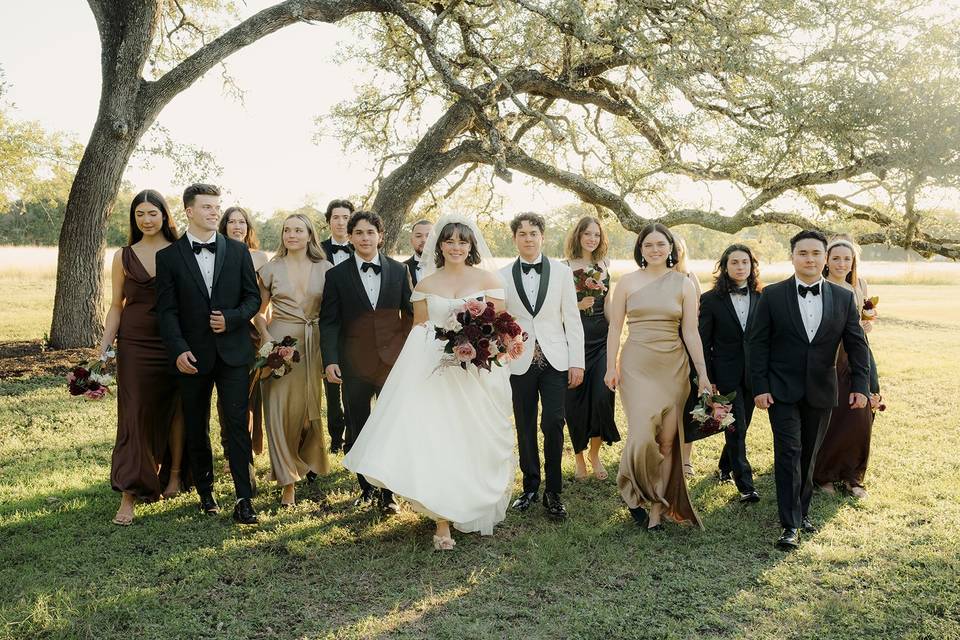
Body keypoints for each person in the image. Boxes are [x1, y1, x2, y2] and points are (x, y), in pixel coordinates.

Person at [344, 214, 515, 550]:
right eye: (449, 241)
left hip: (475, 373)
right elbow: (420, 328)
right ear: (439, 246)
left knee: (470, 439)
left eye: (462, 241)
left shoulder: (488, 279)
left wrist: (479, 344)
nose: (456, 247)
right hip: (432, 369)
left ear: (471, 245)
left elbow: (500, 327)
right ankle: (441, 520)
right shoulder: (425, 284)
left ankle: (468, 501)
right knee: (437, 439)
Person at [748, 230, 870, 550]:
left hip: (821, 389)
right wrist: (759, 387)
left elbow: (857, 345)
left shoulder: (843, 298)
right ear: (793, 256)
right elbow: (757, 344)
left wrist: (861, 385)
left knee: (809, 454)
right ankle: (789, 525)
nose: (810, 259)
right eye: (803, 253)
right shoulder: (772, 295)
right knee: (788, 453)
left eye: (816, 253)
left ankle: (802, 514)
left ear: (825, 258)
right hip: (781, 390)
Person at [155, 183, 262, 526]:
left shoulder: (237, 251)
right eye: (206, 207)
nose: (215, 212)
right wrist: (179, 349)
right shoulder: (169, 257)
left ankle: (244, 499)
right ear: (188, 211)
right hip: (192, 356)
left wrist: (231, 318)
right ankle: (205, 492)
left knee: (235, 425)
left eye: (217, 207)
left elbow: (252, 299)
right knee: (196, 425)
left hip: (233, 353)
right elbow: (166, 312)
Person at [605, 223, 710, 531]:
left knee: (666, 440)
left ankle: (656, 506)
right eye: (648, 245)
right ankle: (632, 485)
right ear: (641, 249)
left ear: (670, 249)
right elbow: (614, 328)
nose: (655, 250)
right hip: (637, 364)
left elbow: (691, 332)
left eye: (660, 244)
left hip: (673, 366)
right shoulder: (626, 282)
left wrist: (702, 373)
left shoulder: (684, 283)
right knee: (640, 434)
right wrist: (611, 366)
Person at [101, 190, 188, 525]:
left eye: (153, 213)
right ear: (134, 219)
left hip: (174, 340)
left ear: (165, 215)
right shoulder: (123, 256)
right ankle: (129, 493)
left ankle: (175, 474)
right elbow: (115, 306)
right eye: (140, 214)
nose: (147, 220)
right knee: (135, 413)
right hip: (135, 343)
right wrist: (106, 347)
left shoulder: (181, 252)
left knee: (176, 407)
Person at [319, 210, 413, 515]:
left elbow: (410, 315)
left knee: (390, 424)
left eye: (370, 233)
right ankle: (366, 486)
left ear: (381, 236)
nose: (364, 238)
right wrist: (331, 360)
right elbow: (329, 322)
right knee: (358, 425)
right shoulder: (336, 275)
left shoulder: (399, 272)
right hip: (354, 363)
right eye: (358, 233)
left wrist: (410, 353)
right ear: (350, 237)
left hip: (391, 363)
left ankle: (388, 494)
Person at [501, 212, 584, 520]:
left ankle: (554, 492)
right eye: (522, 234)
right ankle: (531, 486)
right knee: (524, 423)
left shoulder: (562, 273)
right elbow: (500, 321)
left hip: (555, 359)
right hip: (518, 361)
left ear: (542, 236)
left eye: (533, 233)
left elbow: (572, 319)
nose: (528, 238)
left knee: (553, 422)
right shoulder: (501, 275)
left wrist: (577, 361)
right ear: (515, 239)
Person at [255, 214, 332, 507]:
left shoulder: (326, 268)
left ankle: (305, 459)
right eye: (287, 230)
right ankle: (287, 481)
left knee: (304, 410)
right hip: (278, 345)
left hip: (313, 344)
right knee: (277, 409)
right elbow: (260, 312)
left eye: (298, 230)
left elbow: (332, 312)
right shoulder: (270, 268)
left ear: (310, 235)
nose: (291, 235)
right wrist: (265, 339)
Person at [813, 237, 881, 499]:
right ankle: (824, 474)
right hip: (830, 357)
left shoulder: (859, 285)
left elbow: (866, 320)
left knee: (860, 415)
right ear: (827, 260)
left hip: (857, 354)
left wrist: (867, 326)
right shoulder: (819, 286)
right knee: (833, 416)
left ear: (854, 262)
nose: (842, 263)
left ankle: (853, 475)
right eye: (836, 258)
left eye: (847, 259)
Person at [698, 244, 763, 503]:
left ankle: (725, 465)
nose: (740, 267)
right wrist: (708, 378)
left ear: (751, 266)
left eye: (744, 262)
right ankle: (745, 485)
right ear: (725, 267)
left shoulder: (762, 296)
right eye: (734, 262)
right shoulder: (711, 299)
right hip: (726, 374)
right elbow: (703, 342)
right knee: (735, 426)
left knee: (742, 426)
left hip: (755, 373)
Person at [562, 216, 619, 481]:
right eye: (587, 234)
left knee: (601, 398)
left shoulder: (605, 265)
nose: (592, 239)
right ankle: (578, 458)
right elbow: (556, 312)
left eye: (596, 234)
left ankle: (595, 454)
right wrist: (577, 307)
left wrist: (614, 337)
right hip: (572, 342)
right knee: (574, 402)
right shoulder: (564, 268)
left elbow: (609, 304)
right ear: (578, 236)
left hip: (601, 341)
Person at [216, 206, 268, 467]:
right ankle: (230, 449)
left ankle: (245, 447)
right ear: (223, 226)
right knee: (227, 397)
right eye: (231, 222)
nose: (237, 226)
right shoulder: (217, 254)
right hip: (225, 330)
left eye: (242, 222)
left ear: (248, 227)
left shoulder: (260, 258)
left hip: (253, 333)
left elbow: (266, 300)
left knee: (248, 396)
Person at [319, 198, 354, 452]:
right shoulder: (317, 251)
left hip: (356, 328)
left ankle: (353, 435)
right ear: (329, 221)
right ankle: (335, 437)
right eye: (336, 217)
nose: (340, 222)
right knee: (331, 385)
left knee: (353, 385)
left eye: (345, 217)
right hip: (328, 324)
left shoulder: (364, 248)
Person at [673, 233, 702, 479]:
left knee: (687, 406)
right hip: (659, 347)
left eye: (676, 247)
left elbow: (697, 319)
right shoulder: (651, 278)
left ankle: (685, 459)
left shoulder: (690, 278)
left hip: (687, 345)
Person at [403, 219, 434, 287]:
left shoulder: (447, 265)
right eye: (418, 236)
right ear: (411, 240)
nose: (424, 240)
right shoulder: (401, 269)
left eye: (429, 236)